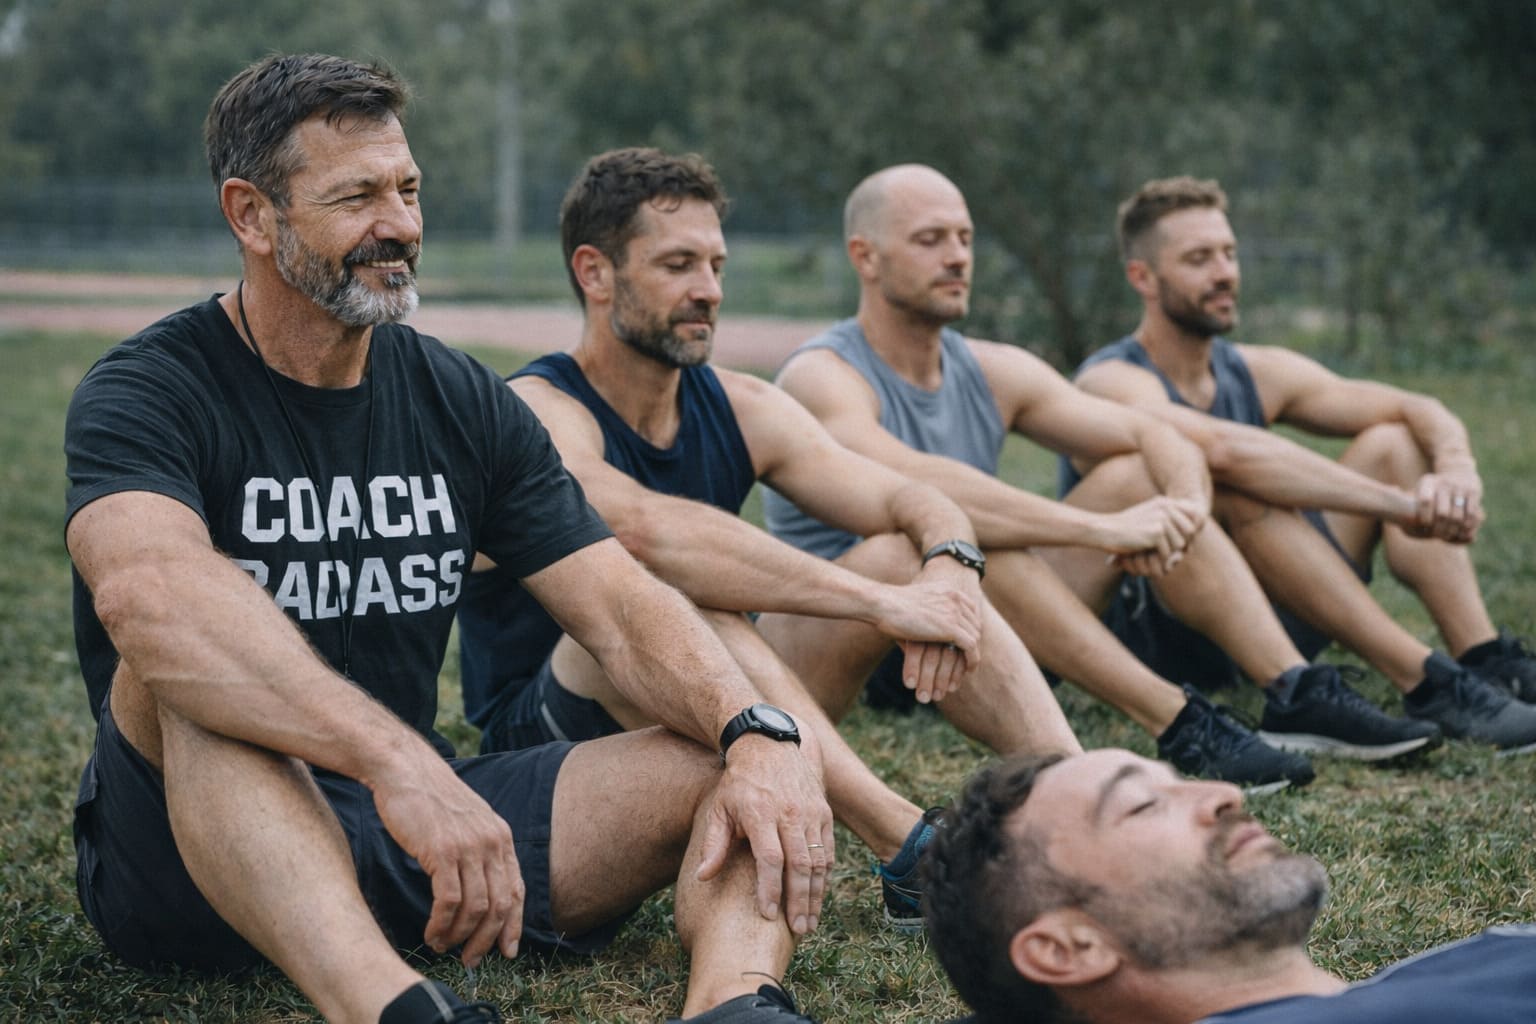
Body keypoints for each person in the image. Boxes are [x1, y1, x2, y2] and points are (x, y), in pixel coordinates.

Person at [65, 54, 838, 1024]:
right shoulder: (150, 388)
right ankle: (395, 1007)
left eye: (409, 189)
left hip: (409, 828)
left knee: (716, 757)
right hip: (186, 853)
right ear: (252, 216)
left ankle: (735, 1001)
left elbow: (618, 601)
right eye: (356, 196)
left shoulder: (459, 397)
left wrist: (751, 727)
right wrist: (401, 763)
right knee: (188, 668)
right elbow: (149, 597)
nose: (399, 225)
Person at [455, 147, 1082, 932]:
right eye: (678, 264)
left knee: (903, 552)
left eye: (716, 264)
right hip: (559, 721)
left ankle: (1081, 800)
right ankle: (911, 849)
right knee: (675, 600)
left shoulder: (742, 404)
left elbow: (912, 496)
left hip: (731, 699)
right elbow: (646, 532)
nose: (709, 291)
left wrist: (949, 567)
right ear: (595, 272)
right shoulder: (539, 409)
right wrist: (882, 604)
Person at [766, 163, 1438, 789]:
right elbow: (918, 491)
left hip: (986, 628)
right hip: (874, 636)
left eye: (965, 237)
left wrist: (1181, 503)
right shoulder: (821, 376)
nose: (957, 256)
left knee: (1129, 475)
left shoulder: (995, 367)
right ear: (866, 256)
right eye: (930, 239)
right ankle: (1178, 720)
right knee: (966, 537)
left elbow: (1150, 431)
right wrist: (1098, 527)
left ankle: (1295, 690)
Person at [1071, 175, 1536, 752]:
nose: (1225, 273)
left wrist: (1457, 470)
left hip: (1278, 603)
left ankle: (1485, 659)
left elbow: (1416, 406)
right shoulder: (1109, 380)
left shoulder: (1254, 371)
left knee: (1395, 443)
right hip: (1170, 631)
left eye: (1229, 253)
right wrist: (1401, 507)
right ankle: (1425, 681)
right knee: (1226, 482)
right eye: (1198, 259)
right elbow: (1223, 451)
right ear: (1143, 277)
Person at [923, 747, 1536, 1023]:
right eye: (1140, 805)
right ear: (1070, 947)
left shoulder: (1466, 965)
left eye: (1178, 779)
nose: (1224, 794)